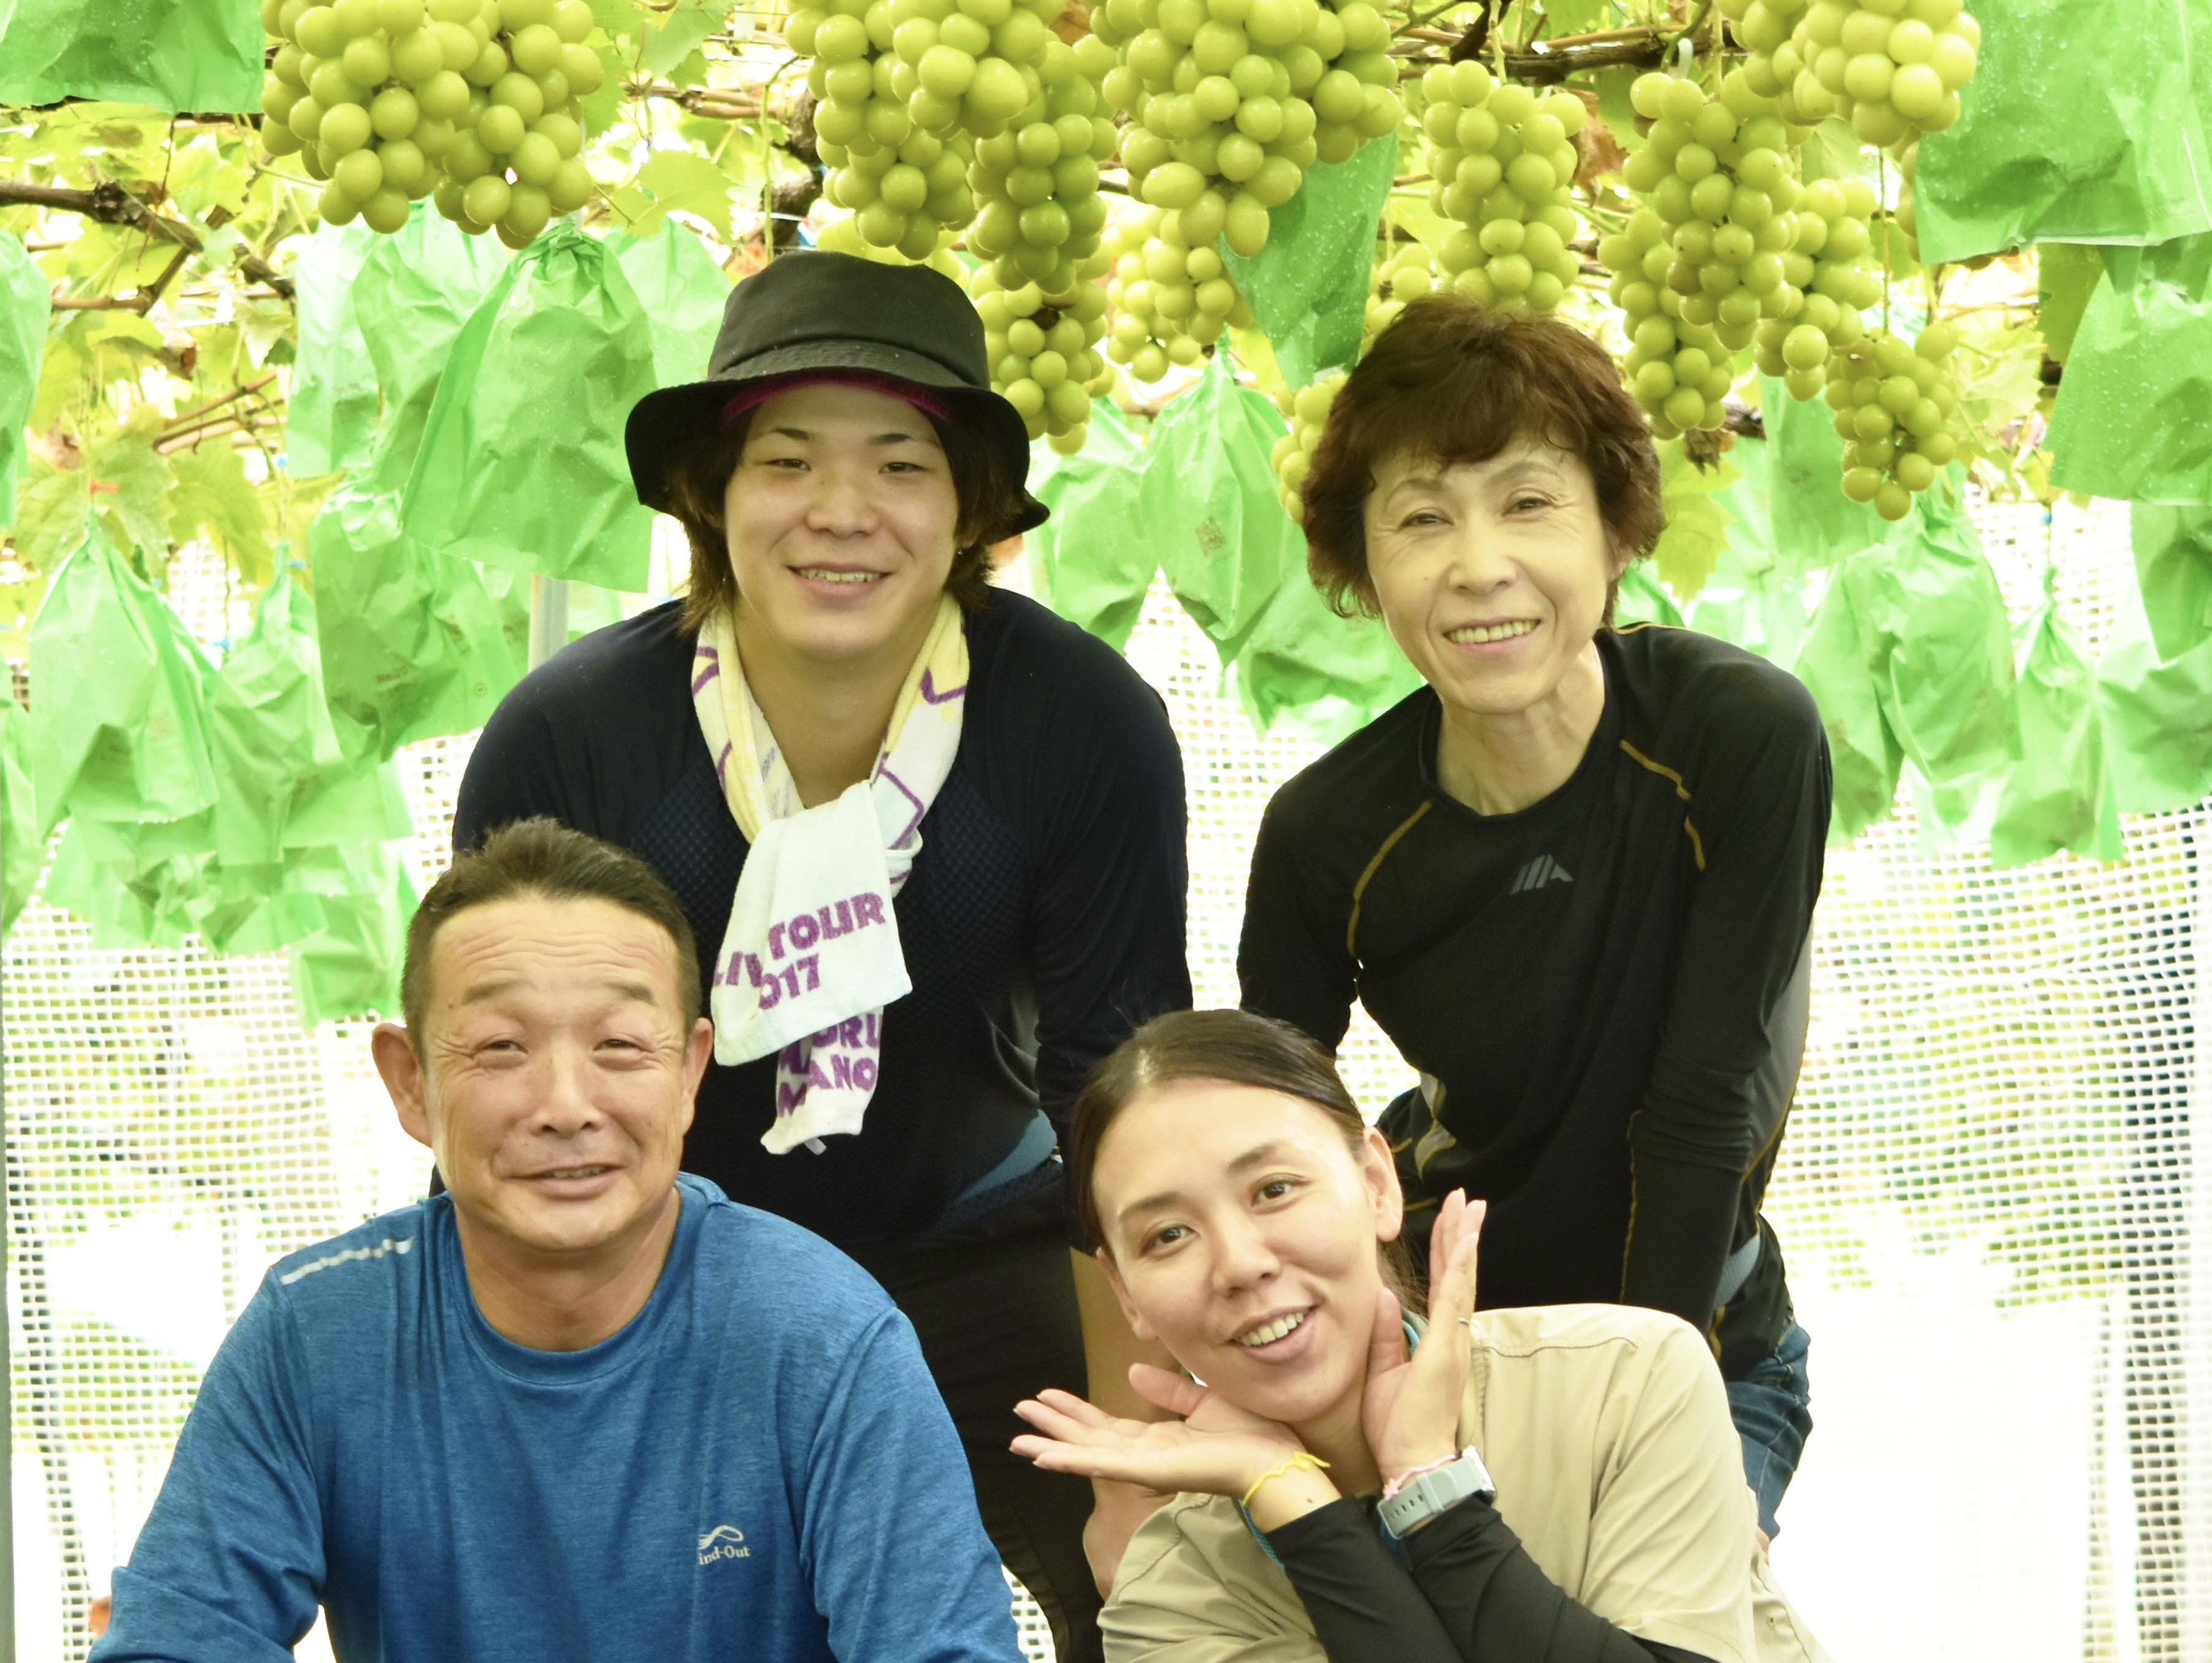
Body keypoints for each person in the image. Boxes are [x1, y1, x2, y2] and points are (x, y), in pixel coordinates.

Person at [454, 247, 1196, 1658]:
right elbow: (510, 1082)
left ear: (969, 508)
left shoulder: (1080, 722)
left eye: (901, 466)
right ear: (712, 498)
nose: (841, 513)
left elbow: (1119, 1093)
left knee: (1155, 1596)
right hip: (672, 1277)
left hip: (991, 1255)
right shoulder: (574, 738)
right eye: (787, 462)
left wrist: (1124, 1459)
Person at [89, 819, 1025, 1663]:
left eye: (620, 1045)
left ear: (690, 1071)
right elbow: (170, 1643)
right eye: (501, 1047)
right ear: (410, 1083)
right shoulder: (315, 1333)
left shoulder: (825, 1336)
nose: (566, 1106)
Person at [1234, 299, 1830, 1541]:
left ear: (1613, 530)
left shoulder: (1733, 735)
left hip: (1701, 1347)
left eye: (1526, 502)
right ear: (1364, 565)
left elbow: (1706, 1093)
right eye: (1419, 519)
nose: (1477, 564)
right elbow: (1266, 1136)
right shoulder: (1325, 835)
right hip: (1448, 1355)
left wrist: (1639, 1407)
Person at [1012, 1008, 1830, 1662]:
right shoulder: (1166, 1594)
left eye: (1272, 1188)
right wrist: (1288, 1492)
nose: (1239, 1262)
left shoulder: (1624, 1377)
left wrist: (1428, 1490)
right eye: (1167, 1235)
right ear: (1125, 1294)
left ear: (1374, 1182)